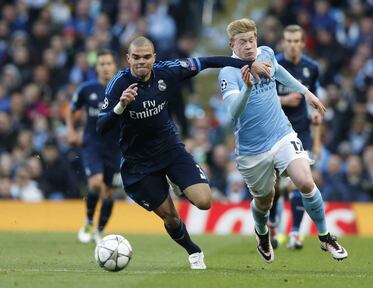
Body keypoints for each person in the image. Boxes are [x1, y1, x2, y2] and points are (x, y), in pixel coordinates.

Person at [97, 36, 270, 270]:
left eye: (146, 57)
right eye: (136, 57)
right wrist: (121, 106)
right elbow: (102, 128)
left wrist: (247, 65)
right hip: (139, 164)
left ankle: (178, 183)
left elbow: (208, 61)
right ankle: (193, 251)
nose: (141, 62)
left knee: (205, 201)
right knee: (171, 216)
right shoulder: (118, 85)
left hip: (170, 150)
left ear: (154, 58)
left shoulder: (167, 71)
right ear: (128, 59)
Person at [218, 18, 348, 263]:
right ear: (231, 44)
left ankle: (325, 236)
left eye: (252, 39)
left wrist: (305, 91)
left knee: (305, 181)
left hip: (282, 134)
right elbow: (233, 112)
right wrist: (246, 87)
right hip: (252, 149)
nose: (248, 45)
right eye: (242, 41)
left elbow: (279, 72)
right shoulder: (227, 72)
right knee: (265, 201)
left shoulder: (266, 53)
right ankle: (262, 232)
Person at [268, 24, 323, 250]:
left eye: (296, 41)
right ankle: (272, 224)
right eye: (288, 41)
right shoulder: (272, 65)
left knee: (299, 183)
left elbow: (316, 107)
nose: (291, 45)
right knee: (275, 185)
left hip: (301, 132)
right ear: (283, 42)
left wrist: (317, 140)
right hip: (274, 130)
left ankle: (295, 233)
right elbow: (261, 98)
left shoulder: (312, 68)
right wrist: (284, 100)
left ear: (302, 43)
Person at [66, 50, 122, 244]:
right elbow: (71, 110)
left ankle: (99, 230)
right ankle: (89, 221)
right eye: (102, 64)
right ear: (96, 67)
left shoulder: (122, 88)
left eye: (109, 63)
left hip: (115, 147)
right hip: (92, 144)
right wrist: (72, 131)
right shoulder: (86, 89)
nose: (105, 67)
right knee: (96, 183)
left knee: (109, 192)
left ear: (114, 66)